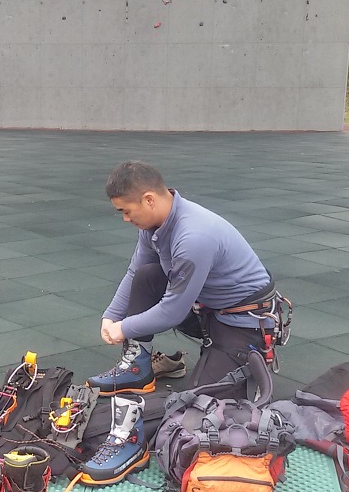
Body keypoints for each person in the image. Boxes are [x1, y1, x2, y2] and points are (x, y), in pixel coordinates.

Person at [89, 160, 283, 395]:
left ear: (149, 200)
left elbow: (172, 312)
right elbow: (135, 272)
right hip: (208, 308)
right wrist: (111, 315)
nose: (126, 219)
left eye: (126, 211)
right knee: (147, 276)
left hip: (242, 321)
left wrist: (123, 328)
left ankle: (245, 356)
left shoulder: (194, 236)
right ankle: (136, 370)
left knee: (202, 402)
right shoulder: (153, 225)